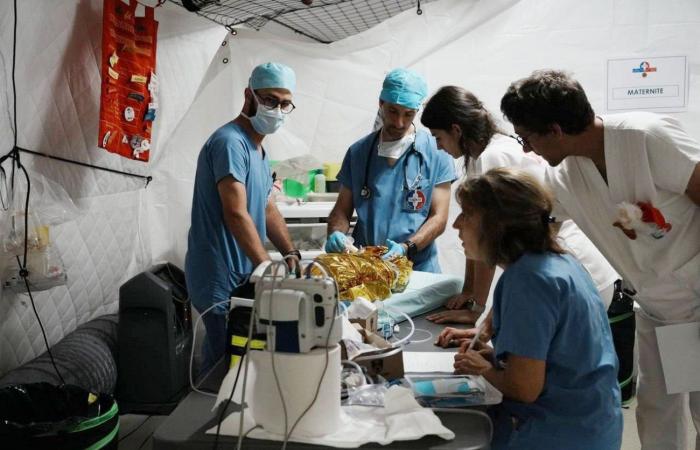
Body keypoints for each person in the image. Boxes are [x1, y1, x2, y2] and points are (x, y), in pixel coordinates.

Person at [500, 69, 700, 450]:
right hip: (657, 308)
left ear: (555, 130)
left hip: (699, 297)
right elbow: (540, 227)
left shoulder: (645, 136)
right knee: (658, 413)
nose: (526, 149)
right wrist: (496, 315)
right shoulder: (566, 176)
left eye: (527, 137)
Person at [451, 167, 622, 450]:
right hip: (594, 423)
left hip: (559, 433)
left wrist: (481, 368)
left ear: (497, 225)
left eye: (466, 214)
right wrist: (498, 358)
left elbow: (524, 389)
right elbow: (561, 359)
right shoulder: (558, 263)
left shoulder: (529, 280)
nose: (457, 224)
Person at [420, 86, 618, 329]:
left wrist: (476, 308)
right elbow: (478, 244)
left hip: (574, 268)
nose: (438, 147)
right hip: (564, 270)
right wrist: (468, 294)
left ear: (456, 130)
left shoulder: (492, 157)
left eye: (438, 137)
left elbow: (484, 237)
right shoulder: (486, 153)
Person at [185, 62, 301, 374]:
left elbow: (266, 207)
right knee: (227, 361)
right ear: (249, 95)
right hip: (218, 274)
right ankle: (212, 418)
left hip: (241, 273)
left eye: (284, 104)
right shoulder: (229, 142)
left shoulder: (259, 151)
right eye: (269, 100)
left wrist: (289, 253)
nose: (277, 110)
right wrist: (266, 265)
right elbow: (235, 212)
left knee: (243, 357)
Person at [325, 68, 456, 272]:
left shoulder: (436, 151)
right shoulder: (359, 152)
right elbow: (342, 210)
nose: (399, 122)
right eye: (393, 111)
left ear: (417, 110)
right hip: (367, 268)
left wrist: (407, 247)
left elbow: (439, 217)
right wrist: (336, 233)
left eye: (408, 114)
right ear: (381, 103)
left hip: (418, 268)